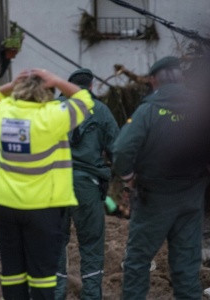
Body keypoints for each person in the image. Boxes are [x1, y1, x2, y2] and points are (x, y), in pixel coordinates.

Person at [0, 68, 95, 300]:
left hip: (5, 206)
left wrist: (11, 84)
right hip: (44, 208)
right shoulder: (54, 116)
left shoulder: (3, 113)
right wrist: (57, 80)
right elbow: (84, 99)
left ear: (18, 93)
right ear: (48, 93)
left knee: (12, 273)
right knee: (42, 275)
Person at [112, 56, 210, 300]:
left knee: (138, 261)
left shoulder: (149, 110)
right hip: (192, 196)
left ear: (154, 79)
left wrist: (129, 176)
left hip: (154, 197)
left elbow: (122, 149)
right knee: (187, 264)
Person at [54, 68, 120, 300]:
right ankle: (91, 296)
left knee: (55, 243)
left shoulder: (53, 109)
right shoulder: (101, 111)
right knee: (91, 244)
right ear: (90, 87)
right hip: (88, 186)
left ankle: (56, 294)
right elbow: (117, 150)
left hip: (55, 185)